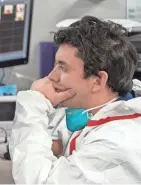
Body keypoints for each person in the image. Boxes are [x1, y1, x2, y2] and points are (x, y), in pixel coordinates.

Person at [9, 15, 141, 184]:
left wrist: (34, 103)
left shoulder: (115, 143)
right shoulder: (103, 107)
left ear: (98, 81)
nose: (51, 76)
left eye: (63, 68)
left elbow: (37, 181)